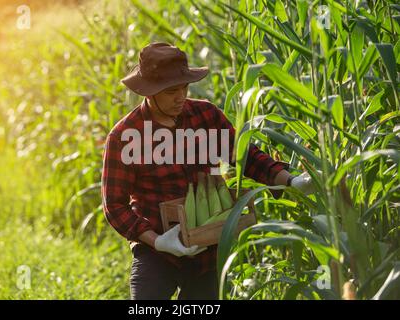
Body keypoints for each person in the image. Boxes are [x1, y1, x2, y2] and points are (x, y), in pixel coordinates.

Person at [101, 42, 316, 300]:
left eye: (184, 87)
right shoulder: (125, 136)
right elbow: (114, 205)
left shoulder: (206, 116)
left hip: (208, 250)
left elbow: (245, 157)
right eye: (171, 91)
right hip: (155, 252)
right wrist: (158, 241)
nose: (180, 97)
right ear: (149, 92)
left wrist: (292, 181)